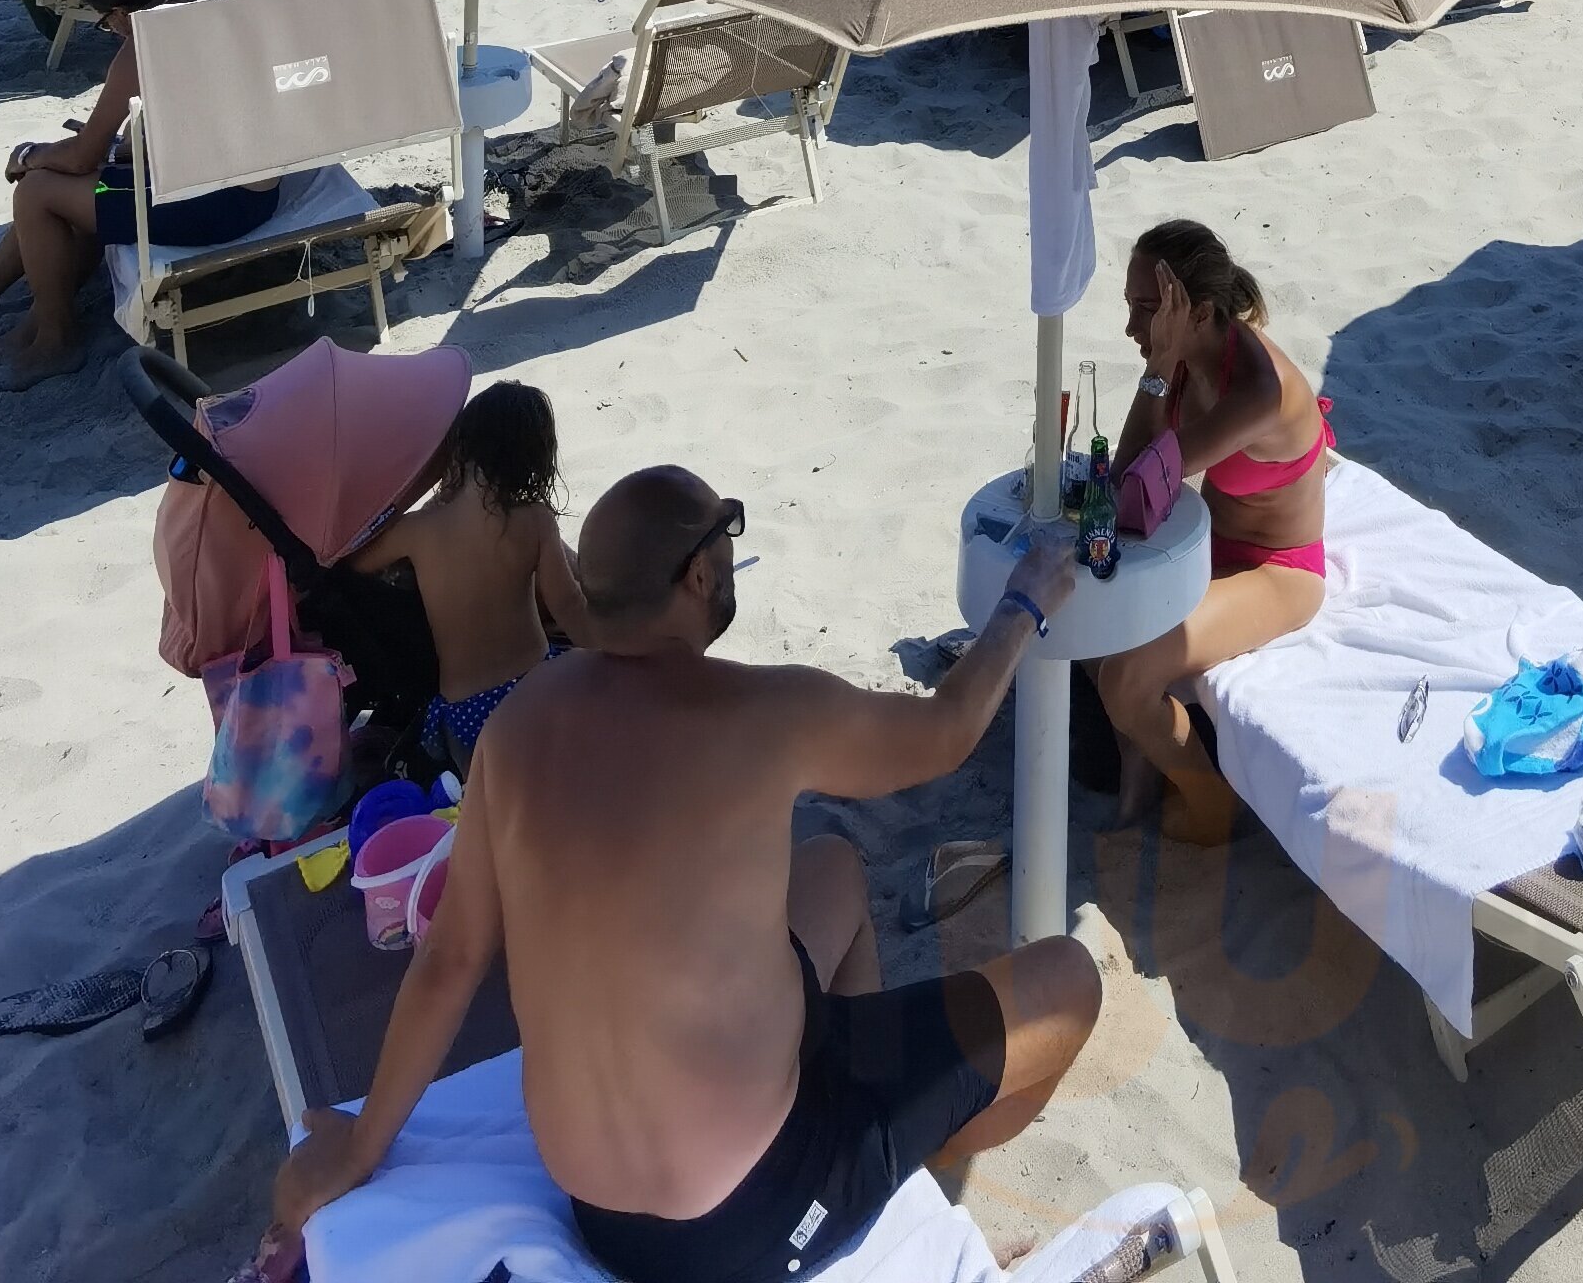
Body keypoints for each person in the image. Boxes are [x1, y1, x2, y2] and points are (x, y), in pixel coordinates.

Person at [272, 469, 1099, 1278]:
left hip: (598, 1211)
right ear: (699, 571)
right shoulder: (765, 713)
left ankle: (863, 1099)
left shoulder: (518, 725)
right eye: (725, 532)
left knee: (835, 868)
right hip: (745, 1215)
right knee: (1069, 980)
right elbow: (948, 729)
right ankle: (885, 1164)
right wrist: (1025, 600)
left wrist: (362, 1144)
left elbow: (449, 961)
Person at [1091, 221, 1332, 841]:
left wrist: (1159, 364)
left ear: (1194, 312)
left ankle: (1210, 803)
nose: (1130, 328)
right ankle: (1138, 764)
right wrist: (1159, 365)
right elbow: (1123, 469)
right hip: (1211, 550)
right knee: (1089, 614)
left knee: (1125, 674)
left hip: (1279, 571)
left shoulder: (1258, 392)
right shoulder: (1183, 357)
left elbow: (1141, 489)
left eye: (1146, 310)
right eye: (1131, 307)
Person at [0, 0, 262, 387]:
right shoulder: (224, 4)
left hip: (213, 205)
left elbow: (82, 157)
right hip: (256, 187)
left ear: (119, 13)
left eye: (104, 23)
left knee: (37, 190)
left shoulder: (145, 46)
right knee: (86, 182)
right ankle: (30, 319)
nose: (111, 31)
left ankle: (55, 342)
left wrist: (28, 155)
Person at [352, 380, 599, 775]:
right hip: (537, 687)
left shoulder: (420, 530)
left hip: (468, 713)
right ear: (533, 458)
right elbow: (567, 604)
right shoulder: (534, 519)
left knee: (488, 791)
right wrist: (610, 660)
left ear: (458, 451)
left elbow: (356, 563)